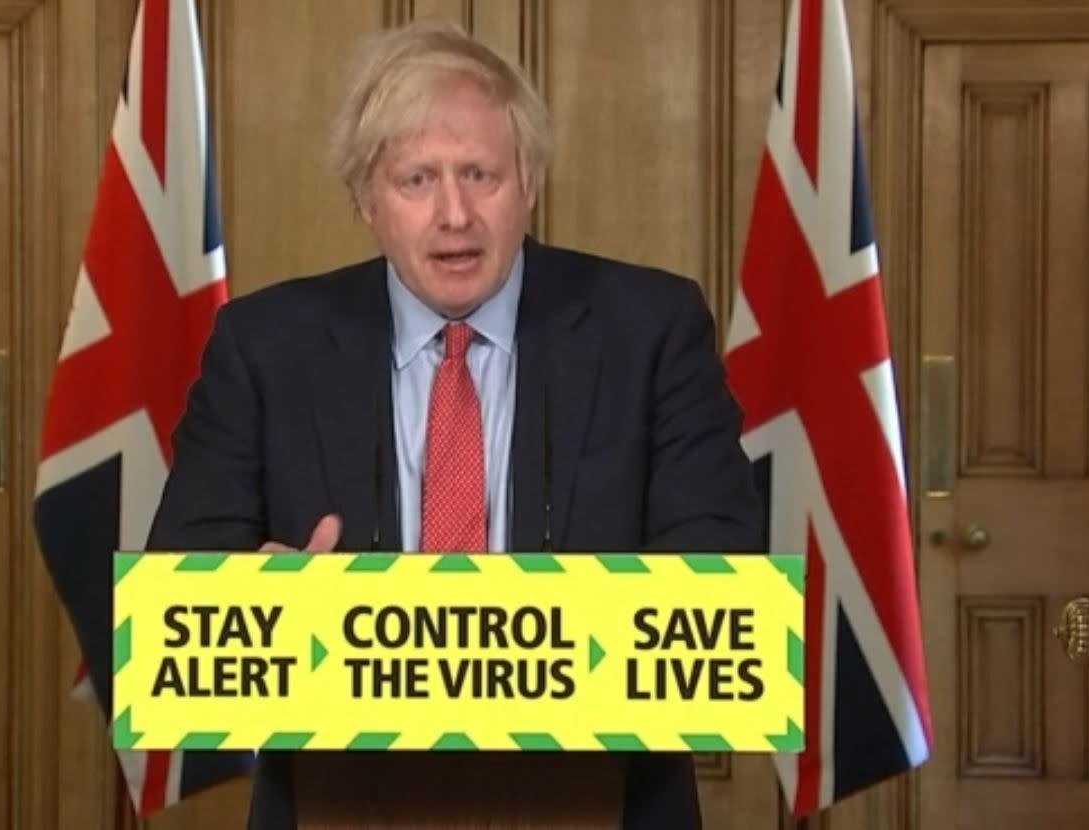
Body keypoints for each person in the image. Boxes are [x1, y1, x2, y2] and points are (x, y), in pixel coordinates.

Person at [146, 18, 764, 830]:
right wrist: (258, 605)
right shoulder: (266, 348)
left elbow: (724, 607)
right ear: (365, 198)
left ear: (531, 183)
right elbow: (172, 628)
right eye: (417, 180)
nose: (455, 215)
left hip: (606, 804)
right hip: (340, 805)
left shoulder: (650, 331)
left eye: (480, 174)